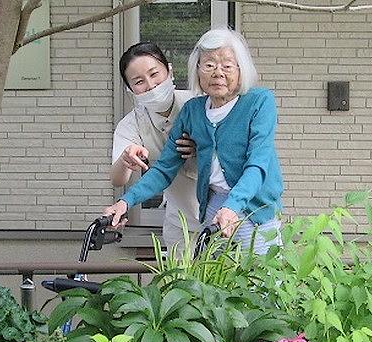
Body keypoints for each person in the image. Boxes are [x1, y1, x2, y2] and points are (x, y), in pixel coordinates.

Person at [104, 29, 283, 255]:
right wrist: (125, 202)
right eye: (209, 65)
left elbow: (258, 163)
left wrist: (232, 207)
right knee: (214, 283)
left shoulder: (259, 102)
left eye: (227, 65)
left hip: (253, 208)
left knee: (261, 282)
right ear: (197, 70)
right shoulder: (193, 110)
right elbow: (164, 168)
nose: (218, 73)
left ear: (241, 69)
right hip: (211, 208)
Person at [111, 42, 201, 248]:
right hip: (181, 222)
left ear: (169, 70)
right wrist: (126, 159)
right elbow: (118, 179)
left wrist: (201, 147)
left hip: (224, 218)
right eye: (139, 81)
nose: (150, 85)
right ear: (130, 89)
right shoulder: (131, 124)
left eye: (154, 74)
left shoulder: (197, 104)